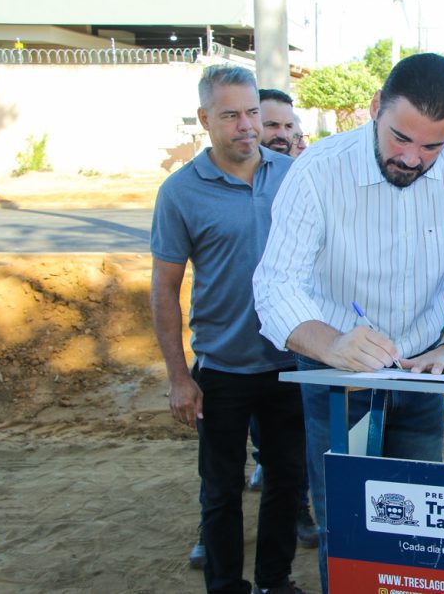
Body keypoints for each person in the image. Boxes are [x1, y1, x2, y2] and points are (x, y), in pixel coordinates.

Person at [252, 53, 444, 593]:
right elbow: (275, 286)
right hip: (335, 373)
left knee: (414, 520)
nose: (413, 159)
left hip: (419, 373)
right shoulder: (318, 169)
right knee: (347, 524)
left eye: (431, 146)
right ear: (374, 109)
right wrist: (335, 344)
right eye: (400, 139)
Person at [150, 65, 306, 594]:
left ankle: (274, 580)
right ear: (204, 119)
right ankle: (225, 585)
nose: (246, 125)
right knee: (220, 489)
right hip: (221, 370)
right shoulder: (180, 192)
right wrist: (179, 377)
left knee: (288, 483)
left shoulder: (291, 177)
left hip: (291, 364)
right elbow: (164, 290)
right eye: (231, 114)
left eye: (253, 113)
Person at [247, 88, 319, 549]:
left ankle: (298, 509)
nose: (282, 134)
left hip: (298, 347)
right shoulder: (220, 180)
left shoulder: (309, 178)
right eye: (272, 125)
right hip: (242, 350)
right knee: (226, 449)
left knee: (296, 445)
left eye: (289, 126)